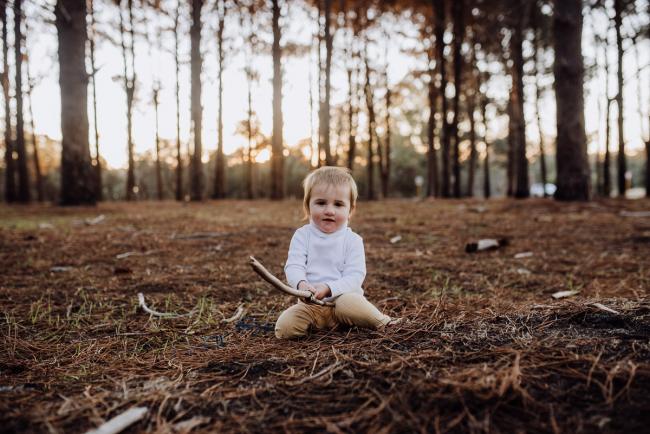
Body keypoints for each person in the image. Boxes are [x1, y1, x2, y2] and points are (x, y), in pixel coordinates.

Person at [275, 166, 398, 339]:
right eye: (321, 203)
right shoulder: (302, 235)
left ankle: (384, 322)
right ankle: (325, 326)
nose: (329, 211)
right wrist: (301, 284)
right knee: (284, 328)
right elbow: (294, 266)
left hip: (343, 301)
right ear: (308, 206)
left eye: (338, 204)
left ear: (350, 211)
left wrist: (329, 288)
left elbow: (355, 276)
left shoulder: (353, 240)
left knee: (350, 303)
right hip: (312, 305)